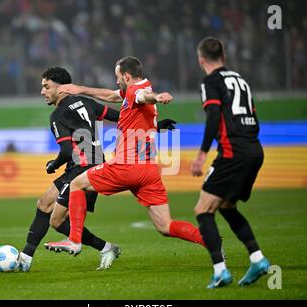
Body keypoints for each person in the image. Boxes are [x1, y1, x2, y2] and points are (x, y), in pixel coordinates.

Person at [18, 66, 177, 272]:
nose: (43, 92)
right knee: (44, 204)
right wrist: (156, 125)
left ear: (62, 88)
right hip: (90, 162)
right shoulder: (86, 103)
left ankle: (105, 247)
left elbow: (66, 151)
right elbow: (122, 118)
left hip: (81, 168)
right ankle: (26, 256)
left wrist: (52, 165)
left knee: (56, 221)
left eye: (46, 87)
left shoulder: (58, 115)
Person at [45, 56, 205, 256]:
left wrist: (158, 96)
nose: (116, 80)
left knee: (77, 184)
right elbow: (113, 96)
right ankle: (210, 242)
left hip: (126, 166)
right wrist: (80, 89)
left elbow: (143, 96)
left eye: (117, 76)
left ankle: (75, 240)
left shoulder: (136, 91)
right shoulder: (139, 86)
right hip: (148, 170)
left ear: (127, 76)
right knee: (165, 225)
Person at [190, 37, 271, 288]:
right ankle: (257, 259)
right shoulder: (241, 80)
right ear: (223, 57)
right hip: (254, 150)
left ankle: (220, 271)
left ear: (201, 60)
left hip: (232, 152)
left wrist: (202, 153)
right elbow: (253, 116)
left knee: (203, 211)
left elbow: (213, 115)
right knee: (226, 206)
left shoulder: (210, 81)